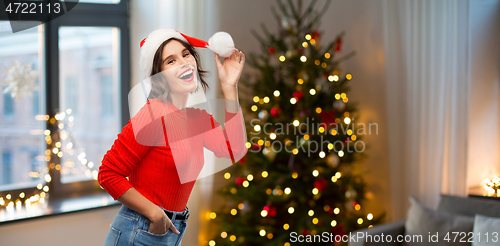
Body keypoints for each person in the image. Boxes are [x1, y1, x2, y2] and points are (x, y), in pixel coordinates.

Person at [98, 29, 247, 246]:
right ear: (158, 75)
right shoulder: (153, 115)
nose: (184, 63)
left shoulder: (198, 119)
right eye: (171, 61)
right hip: (140, 228)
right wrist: (156, 214)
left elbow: (233, 150)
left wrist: (229, 87)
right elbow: (108, 173)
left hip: (171, 229)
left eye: (186, 55)